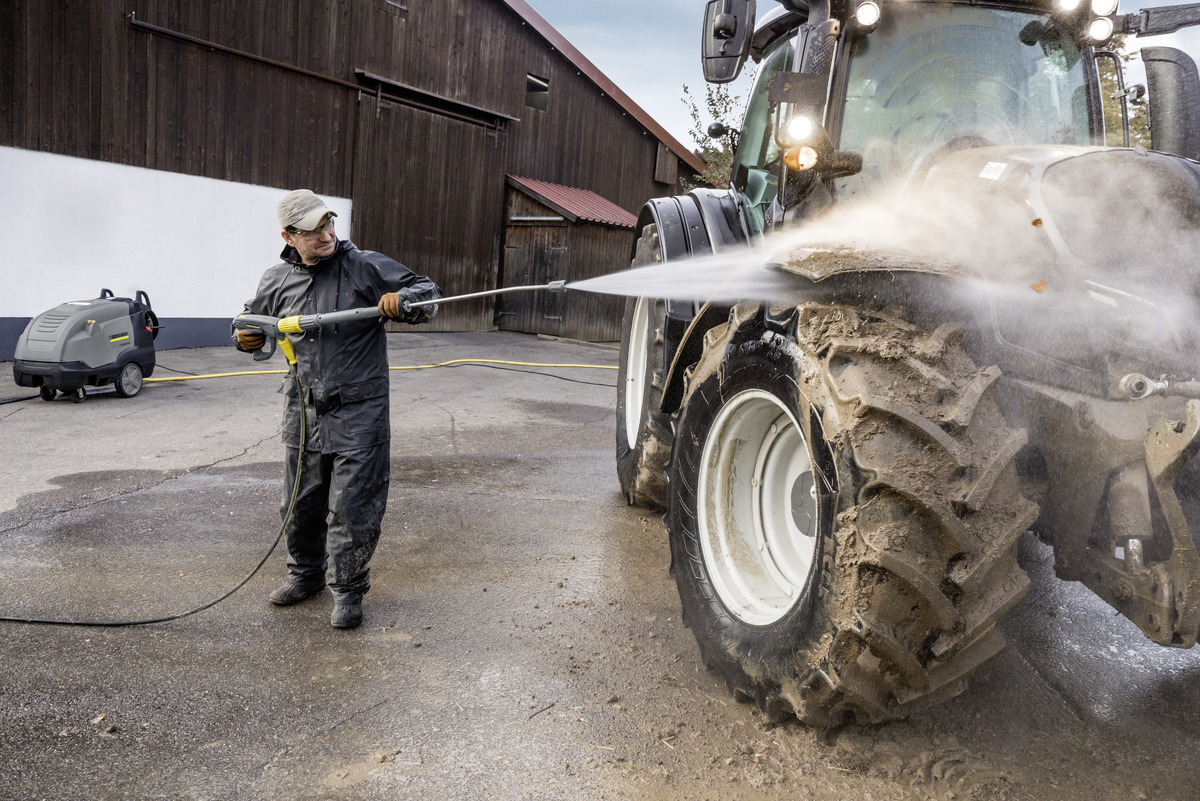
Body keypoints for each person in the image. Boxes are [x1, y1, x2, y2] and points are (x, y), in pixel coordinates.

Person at [234, 189, 441, 629]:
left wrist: (404, 304)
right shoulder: (276, 279)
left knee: (353, 505)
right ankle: (304, 575)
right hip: (304, 410)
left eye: (329, 224)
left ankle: (347, 591)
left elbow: (427, 292)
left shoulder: (364, 266)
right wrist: (248, 338)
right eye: (313, 232)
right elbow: (252, 322)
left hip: (360, 411)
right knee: (300, 502)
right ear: (290, 237)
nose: (327, 235)